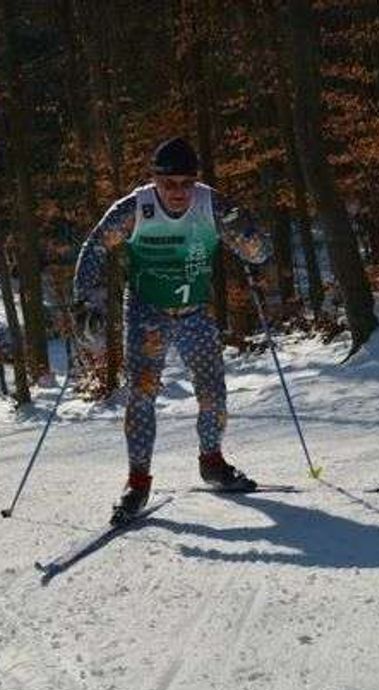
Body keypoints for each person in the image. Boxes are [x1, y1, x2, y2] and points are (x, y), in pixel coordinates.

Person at [73, 136, 271, 524]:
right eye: (168, 184)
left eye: (186, 183)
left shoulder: (212, 205)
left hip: (195, 311)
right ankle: (137, 483)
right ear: (154, 180)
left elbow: (260, 253)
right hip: (148, 311)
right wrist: (86, 302)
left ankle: (212, 463)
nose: (178, 192)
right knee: (142, 394)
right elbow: (95, 247)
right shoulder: (134, 208)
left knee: (212, 392)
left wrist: (244, 230)